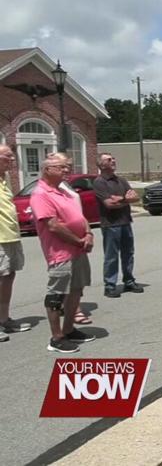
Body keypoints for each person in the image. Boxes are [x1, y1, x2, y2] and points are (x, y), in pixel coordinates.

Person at [31, 153, 97, 353]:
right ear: (47, 169)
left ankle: (69, 329)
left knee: (76, 290)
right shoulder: (41, 194)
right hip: (60, 253)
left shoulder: (63, 191)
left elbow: (79, 215)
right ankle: (56, 337)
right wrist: (78, 241)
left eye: (68, 167)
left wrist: (88, 233)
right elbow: (53, 226)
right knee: (57, 295)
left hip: (78, 250)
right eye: (61, 167)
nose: (67, 170)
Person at [93, 153, 143, 298]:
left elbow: (136, 197)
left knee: (128, 253)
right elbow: (109, 204)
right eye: (109, 160)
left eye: (113, 158)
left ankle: (129, 281)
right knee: (111, 256)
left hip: (125, 222)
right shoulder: (99, 182)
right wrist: (126, 199)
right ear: (101, 165)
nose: (113, 161)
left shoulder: (121, 180)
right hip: (110, 224)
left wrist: (121, 199)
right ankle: (110, 285)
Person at [0, 145, 30, 342]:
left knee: (8, 277)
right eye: (8, 156)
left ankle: (4, 319)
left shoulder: (5, 179)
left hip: (11, 236)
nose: (12, 159)